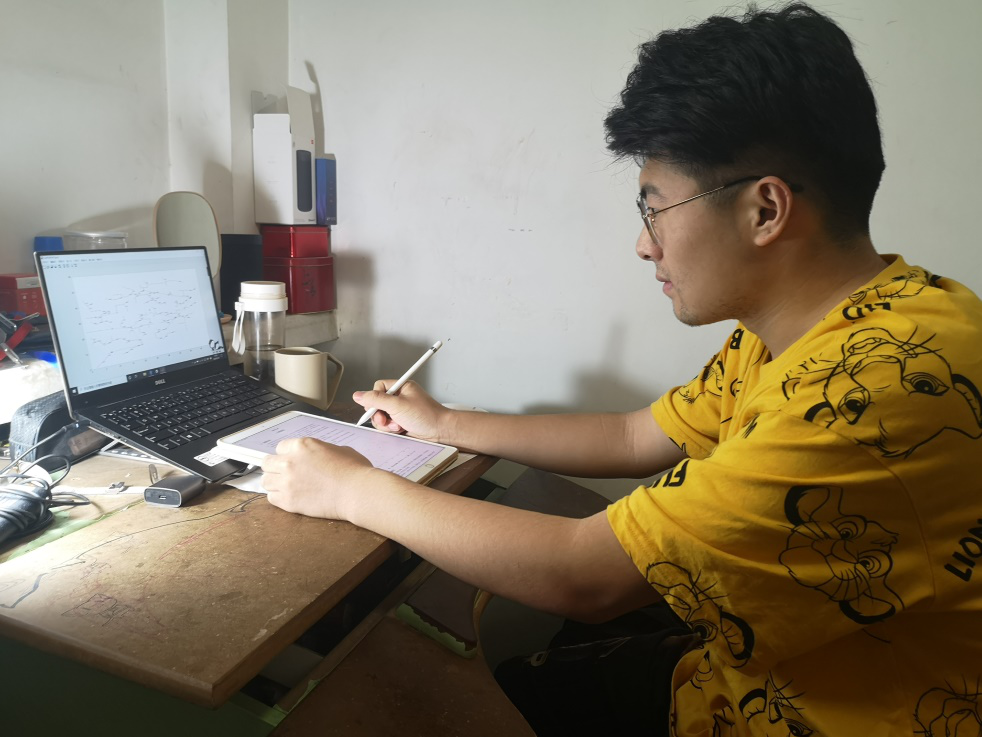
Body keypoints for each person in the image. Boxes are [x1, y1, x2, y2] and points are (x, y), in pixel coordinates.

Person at [260, 3, 982, 735]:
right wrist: (444, 423)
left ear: (765, 210)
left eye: (655, 208)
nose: (644, 244)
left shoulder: (875, 391)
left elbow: (585, 576)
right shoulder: (843, 327)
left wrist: (350, 488)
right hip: (734, 682)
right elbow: (638, 435)